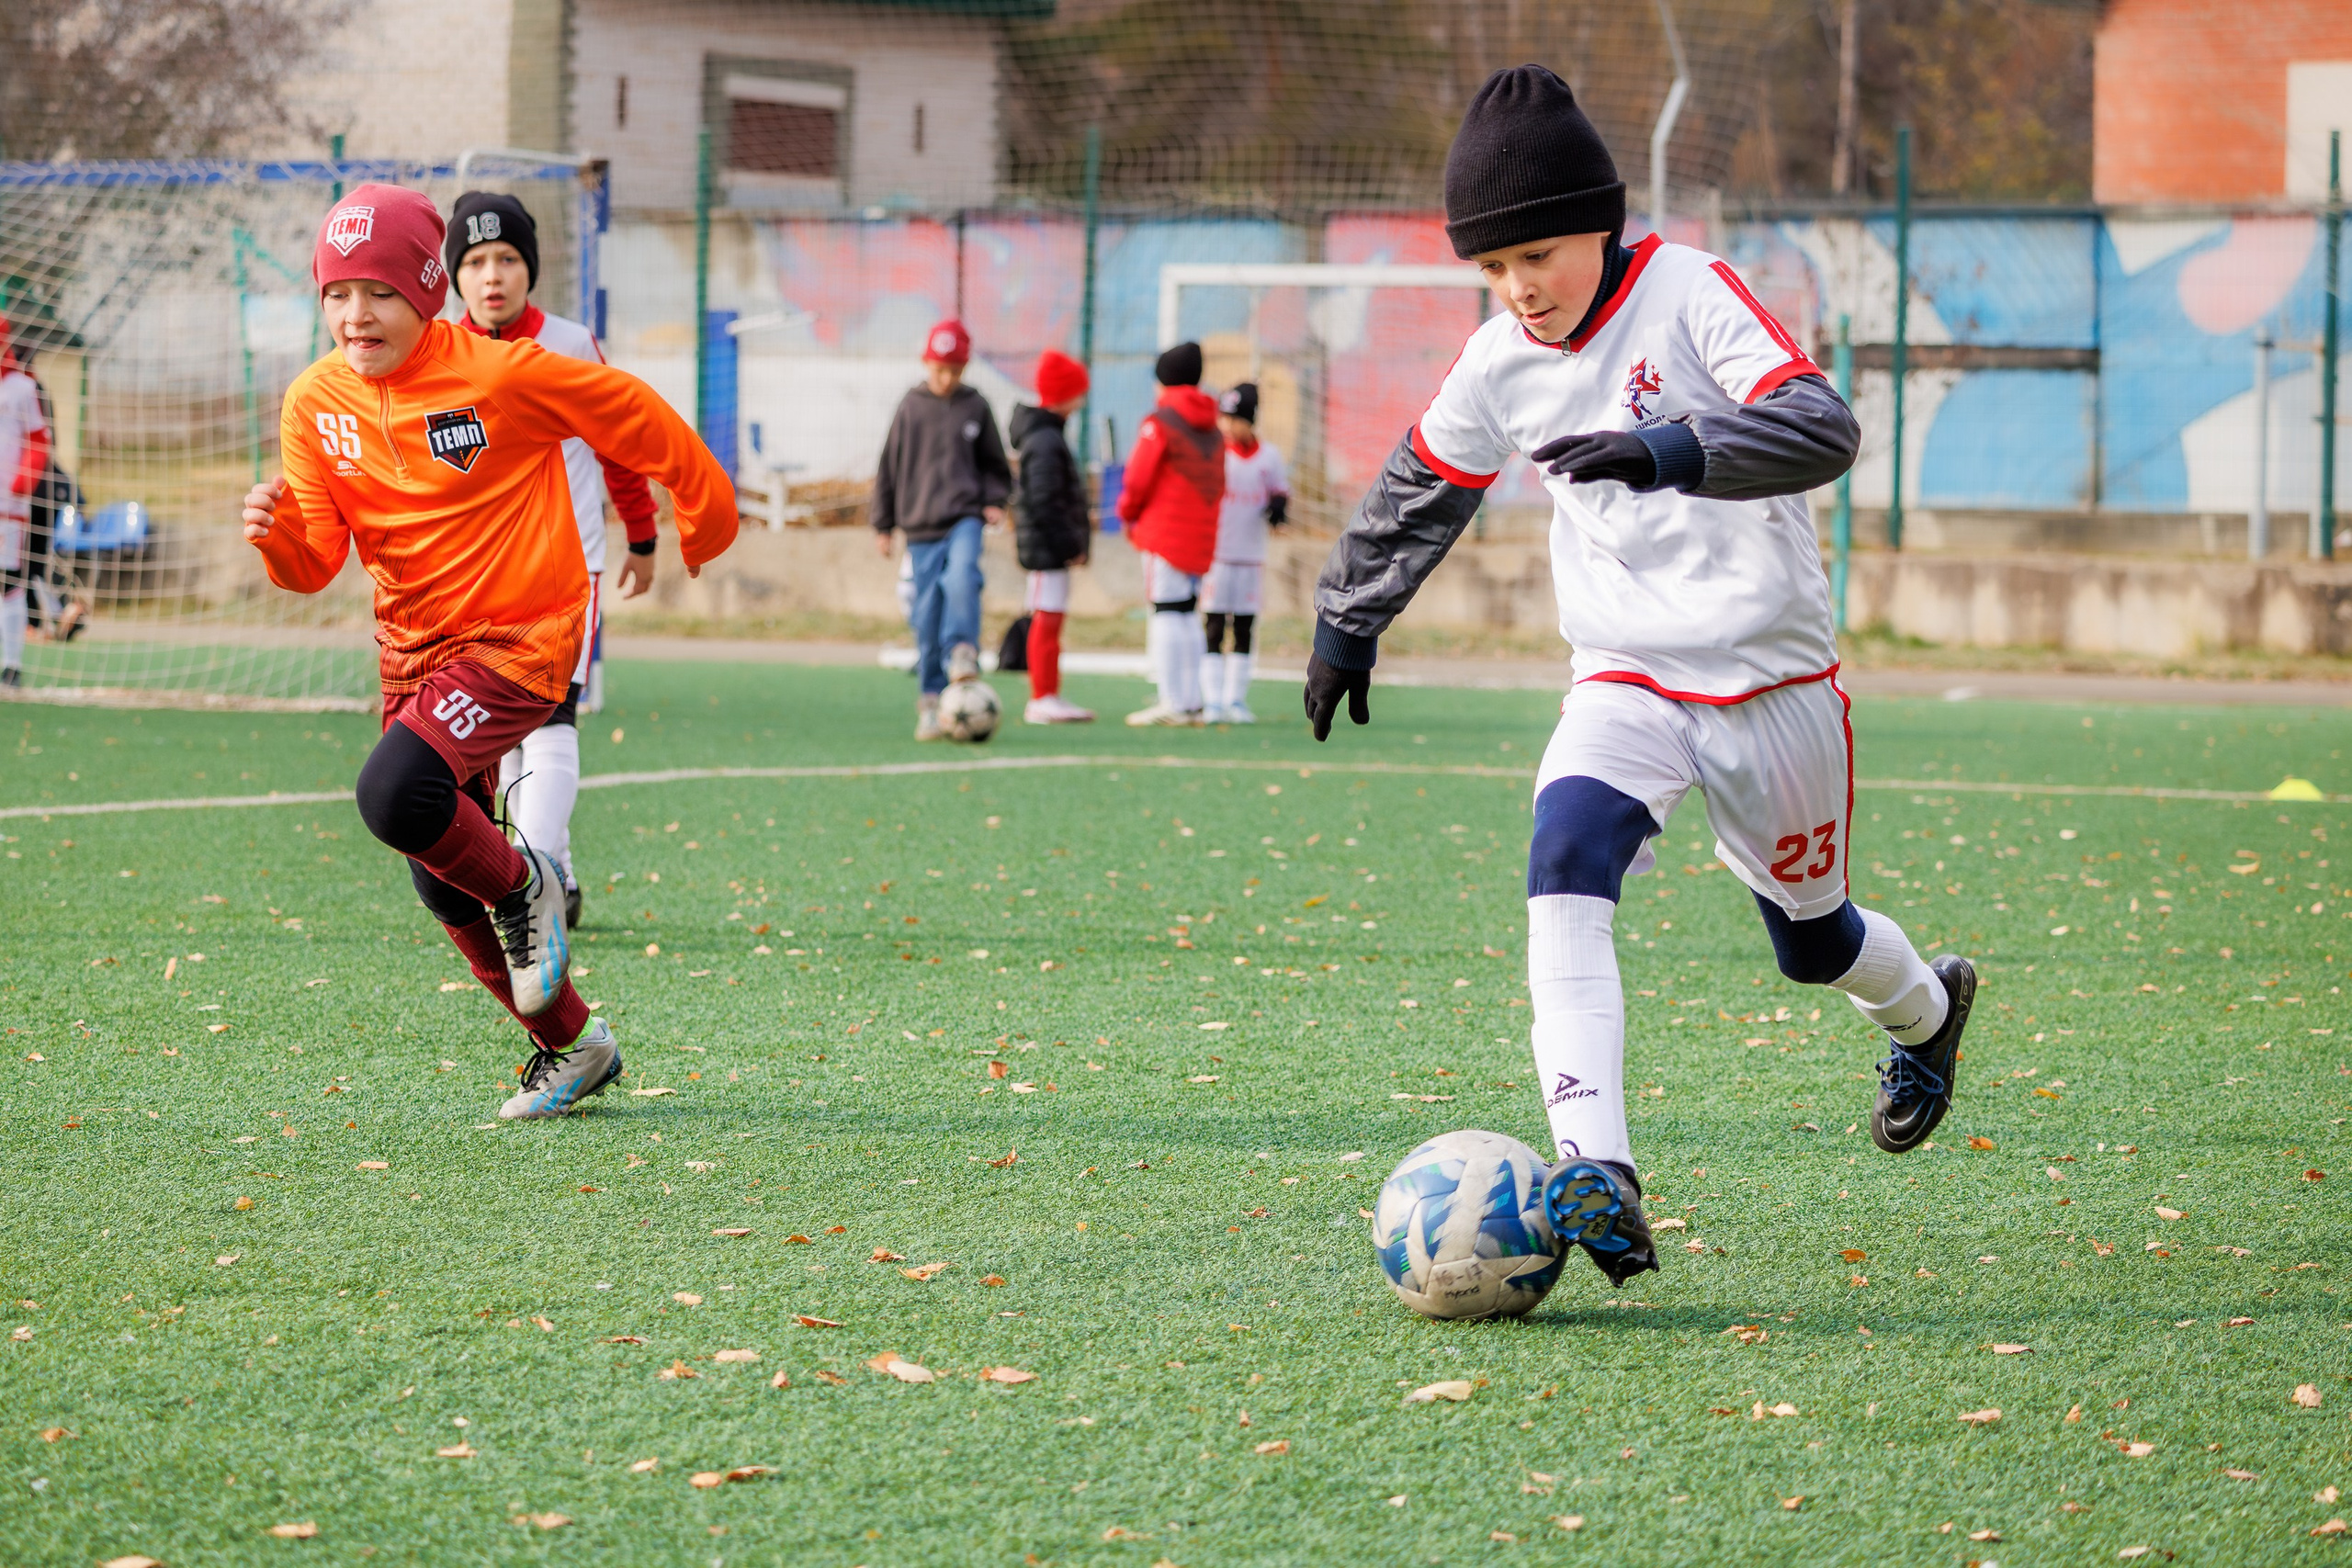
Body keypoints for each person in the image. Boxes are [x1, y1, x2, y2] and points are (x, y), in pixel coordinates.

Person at [1305, 67, 1975, 1289]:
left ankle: (1927, 1011)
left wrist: (1667, 448)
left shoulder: (1688, 291)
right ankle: (1597, 1165)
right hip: (1622, 670)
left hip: (1770, 677)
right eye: (1495, 267)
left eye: (1540, 254)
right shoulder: (1500, 356)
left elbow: (1824, 426)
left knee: (1813, 942)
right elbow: (1423, 484)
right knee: (1565, 856)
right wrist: (1349, 616)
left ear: (1602, 224)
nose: (1520, 288)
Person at [242, 184, 735, 1120]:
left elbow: (632, 415)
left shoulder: (502, 373)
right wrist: (274, 538)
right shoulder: (314, 403)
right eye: (337, 293)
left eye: (380, 291)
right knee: (438, 876)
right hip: (413, 656)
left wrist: (701, 513)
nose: (357, 314)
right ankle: (573, 1045)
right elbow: (312, 564)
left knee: (393, 794)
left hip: (522, 639)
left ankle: (531, 884)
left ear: (429, 290)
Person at [446, 189, 662, 927]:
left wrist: (643, 532)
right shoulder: (443, 353)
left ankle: (531, 876)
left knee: (550, 715)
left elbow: (620, 443)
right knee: (499, 728)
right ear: (456, 276)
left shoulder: (570, 344)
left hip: (570, 569)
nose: (493, 275)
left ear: (530, 268)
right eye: (475, 262)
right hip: (476, 575)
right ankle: (553, 867)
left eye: (507, 257)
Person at [870, 319, 1010, 740]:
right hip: (920, 525)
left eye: (955, 370)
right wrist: (884, 523)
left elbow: (995, 464)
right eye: (939, 369)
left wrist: (994, 500)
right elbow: (889, 467)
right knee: (926, 616)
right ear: (925, 363)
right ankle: (931, 701)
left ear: (965, 369)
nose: (946, 379)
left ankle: (965, 650)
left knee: (964, 574)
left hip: (964, 517)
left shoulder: (976, 405)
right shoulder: (910, 407)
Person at [1116, 341, 1223, 726]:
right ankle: (1192, 701)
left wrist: (1127, 513)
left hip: (1165, 534)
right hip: (1200, 535)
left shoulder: (1159, 422)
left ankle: (1172, 702)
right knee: (1187, 614)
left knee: (1165, 613)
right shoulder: (1213, 427)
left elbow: (1138, 477)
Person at [1010, 349, 1095, 724]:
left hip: (1048, 546)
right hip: (1046, 549)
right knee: (1046, 619)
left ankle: (1049, 693)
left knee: (1051, 618)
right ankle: (1041, 696)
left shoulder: (1046, 436)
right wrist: (1069, 544)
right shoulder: (1044, 441)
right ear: (1064, 394)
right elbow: (1044, 501)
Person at [1202, 381, 1288, 724]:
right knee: (1213, 624)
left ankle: (1235, 699)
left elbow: (1280, 492)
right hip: (1217, 555)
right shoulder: (1216, 453)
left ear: (1249, 421)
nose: (1227, 426)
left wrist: (1278, 508)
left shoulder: (1269, 457)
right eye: (1223, 418)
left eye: (1234, 419)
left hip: (1250, 555)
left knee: (1244, 627)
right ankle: (1211, 700)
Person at [0, 314, 51, 688]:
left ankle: (11, 664)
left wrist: (24, 479)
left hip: (8, 507)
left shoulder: (21, 387)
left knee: (8, 584)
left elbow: (38, 440)